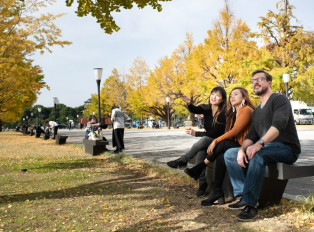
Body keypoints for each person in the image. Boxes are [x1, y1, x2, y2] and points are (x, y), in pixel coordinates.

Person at [224, 70, 300, 222]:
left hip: (287, 149)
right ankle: (243, 195)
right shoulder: (257, 111)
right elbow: (251, 136)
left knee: (257, 154)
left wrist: (260, 144)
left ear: (269, 82)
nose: (255, 82)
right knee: (230, 154)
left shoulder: (279, 99)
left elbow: (279, 125)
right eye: (253, 81)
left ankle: (251, 206)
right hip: (267, 148)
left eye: (260, 79)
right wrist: (242, 150)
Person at [183, 87, 254, 206]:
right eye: (231, 95)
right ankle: (216, 191)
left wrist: (215, 141)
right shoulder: (233, 113)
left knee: (223, 143)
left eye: (236, 94)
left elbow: (235, 131)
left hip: (247, 146)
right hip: (236, 145)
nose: (232, 97)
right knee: (221, 156)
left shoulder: (246, 109)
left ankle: (199, 166)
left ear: (244, 97)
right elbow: (230, 134)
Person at [167, 86, 227, 197]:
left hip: (220, 141)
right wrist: (189, 103)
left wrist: (197, 134)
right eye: (212, 94)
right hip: (208, 141)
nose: (214, 97)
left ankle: (183, 160)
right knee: (201, 153)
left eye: (218, 95)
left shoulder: (224, 112)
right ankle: (202, 186)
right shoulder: (206, 108)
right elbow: (194, 109)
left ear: (222, 99)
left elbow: (216, 133)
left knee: (204, 139)